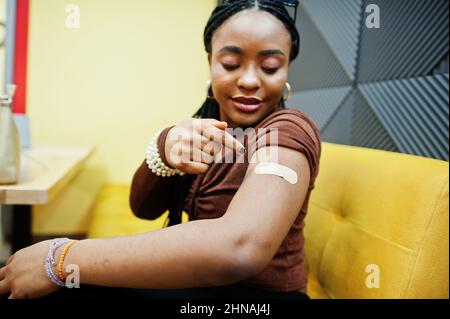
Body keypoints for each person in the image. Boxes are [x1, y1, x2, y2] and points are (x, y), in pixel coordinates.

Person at [0, 0, 320, 300]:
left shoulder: (286, 131)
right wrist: (163, 149)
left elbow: (240, 248)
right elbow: (143, 208)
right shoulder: (205, 129)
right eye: (231, 63)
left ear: (287, 71)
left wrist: (60, 258)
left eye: (270, 67)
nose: (250, 80)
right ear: (210, 63)